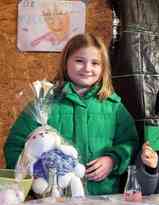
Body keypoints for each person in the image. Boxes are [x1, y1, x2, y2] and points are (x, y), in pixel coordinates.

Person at [4, 33, 139, 195]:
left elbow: (129, 143)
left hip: (101, 198)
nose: (87, 68)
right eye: (79, 61)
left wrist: (113, 160)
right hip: (53, 200)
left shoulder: (113, 106)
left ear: (103, 68)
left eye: (95, 63)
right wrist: (34, 174)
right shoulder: (44, 103)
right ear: (66, 62)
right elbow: (15, 144)